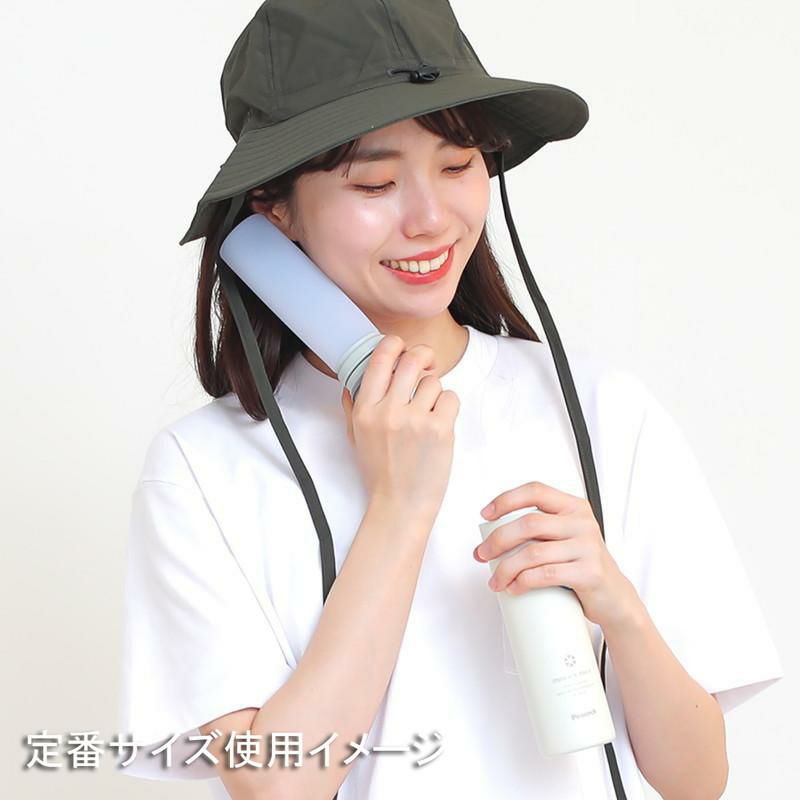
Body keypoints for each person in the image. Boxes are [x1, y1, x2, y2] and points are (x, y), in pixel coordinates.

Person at [118, 2, 784, 799]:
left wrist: (619, 608)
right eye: (375, 182)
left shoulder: (602, 409)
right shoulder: (202, 469)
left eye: (459, 165)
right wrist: (399, 508)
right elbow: (277, 788)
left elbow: (696, 779)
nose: (431, 219)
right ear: (273, 209)